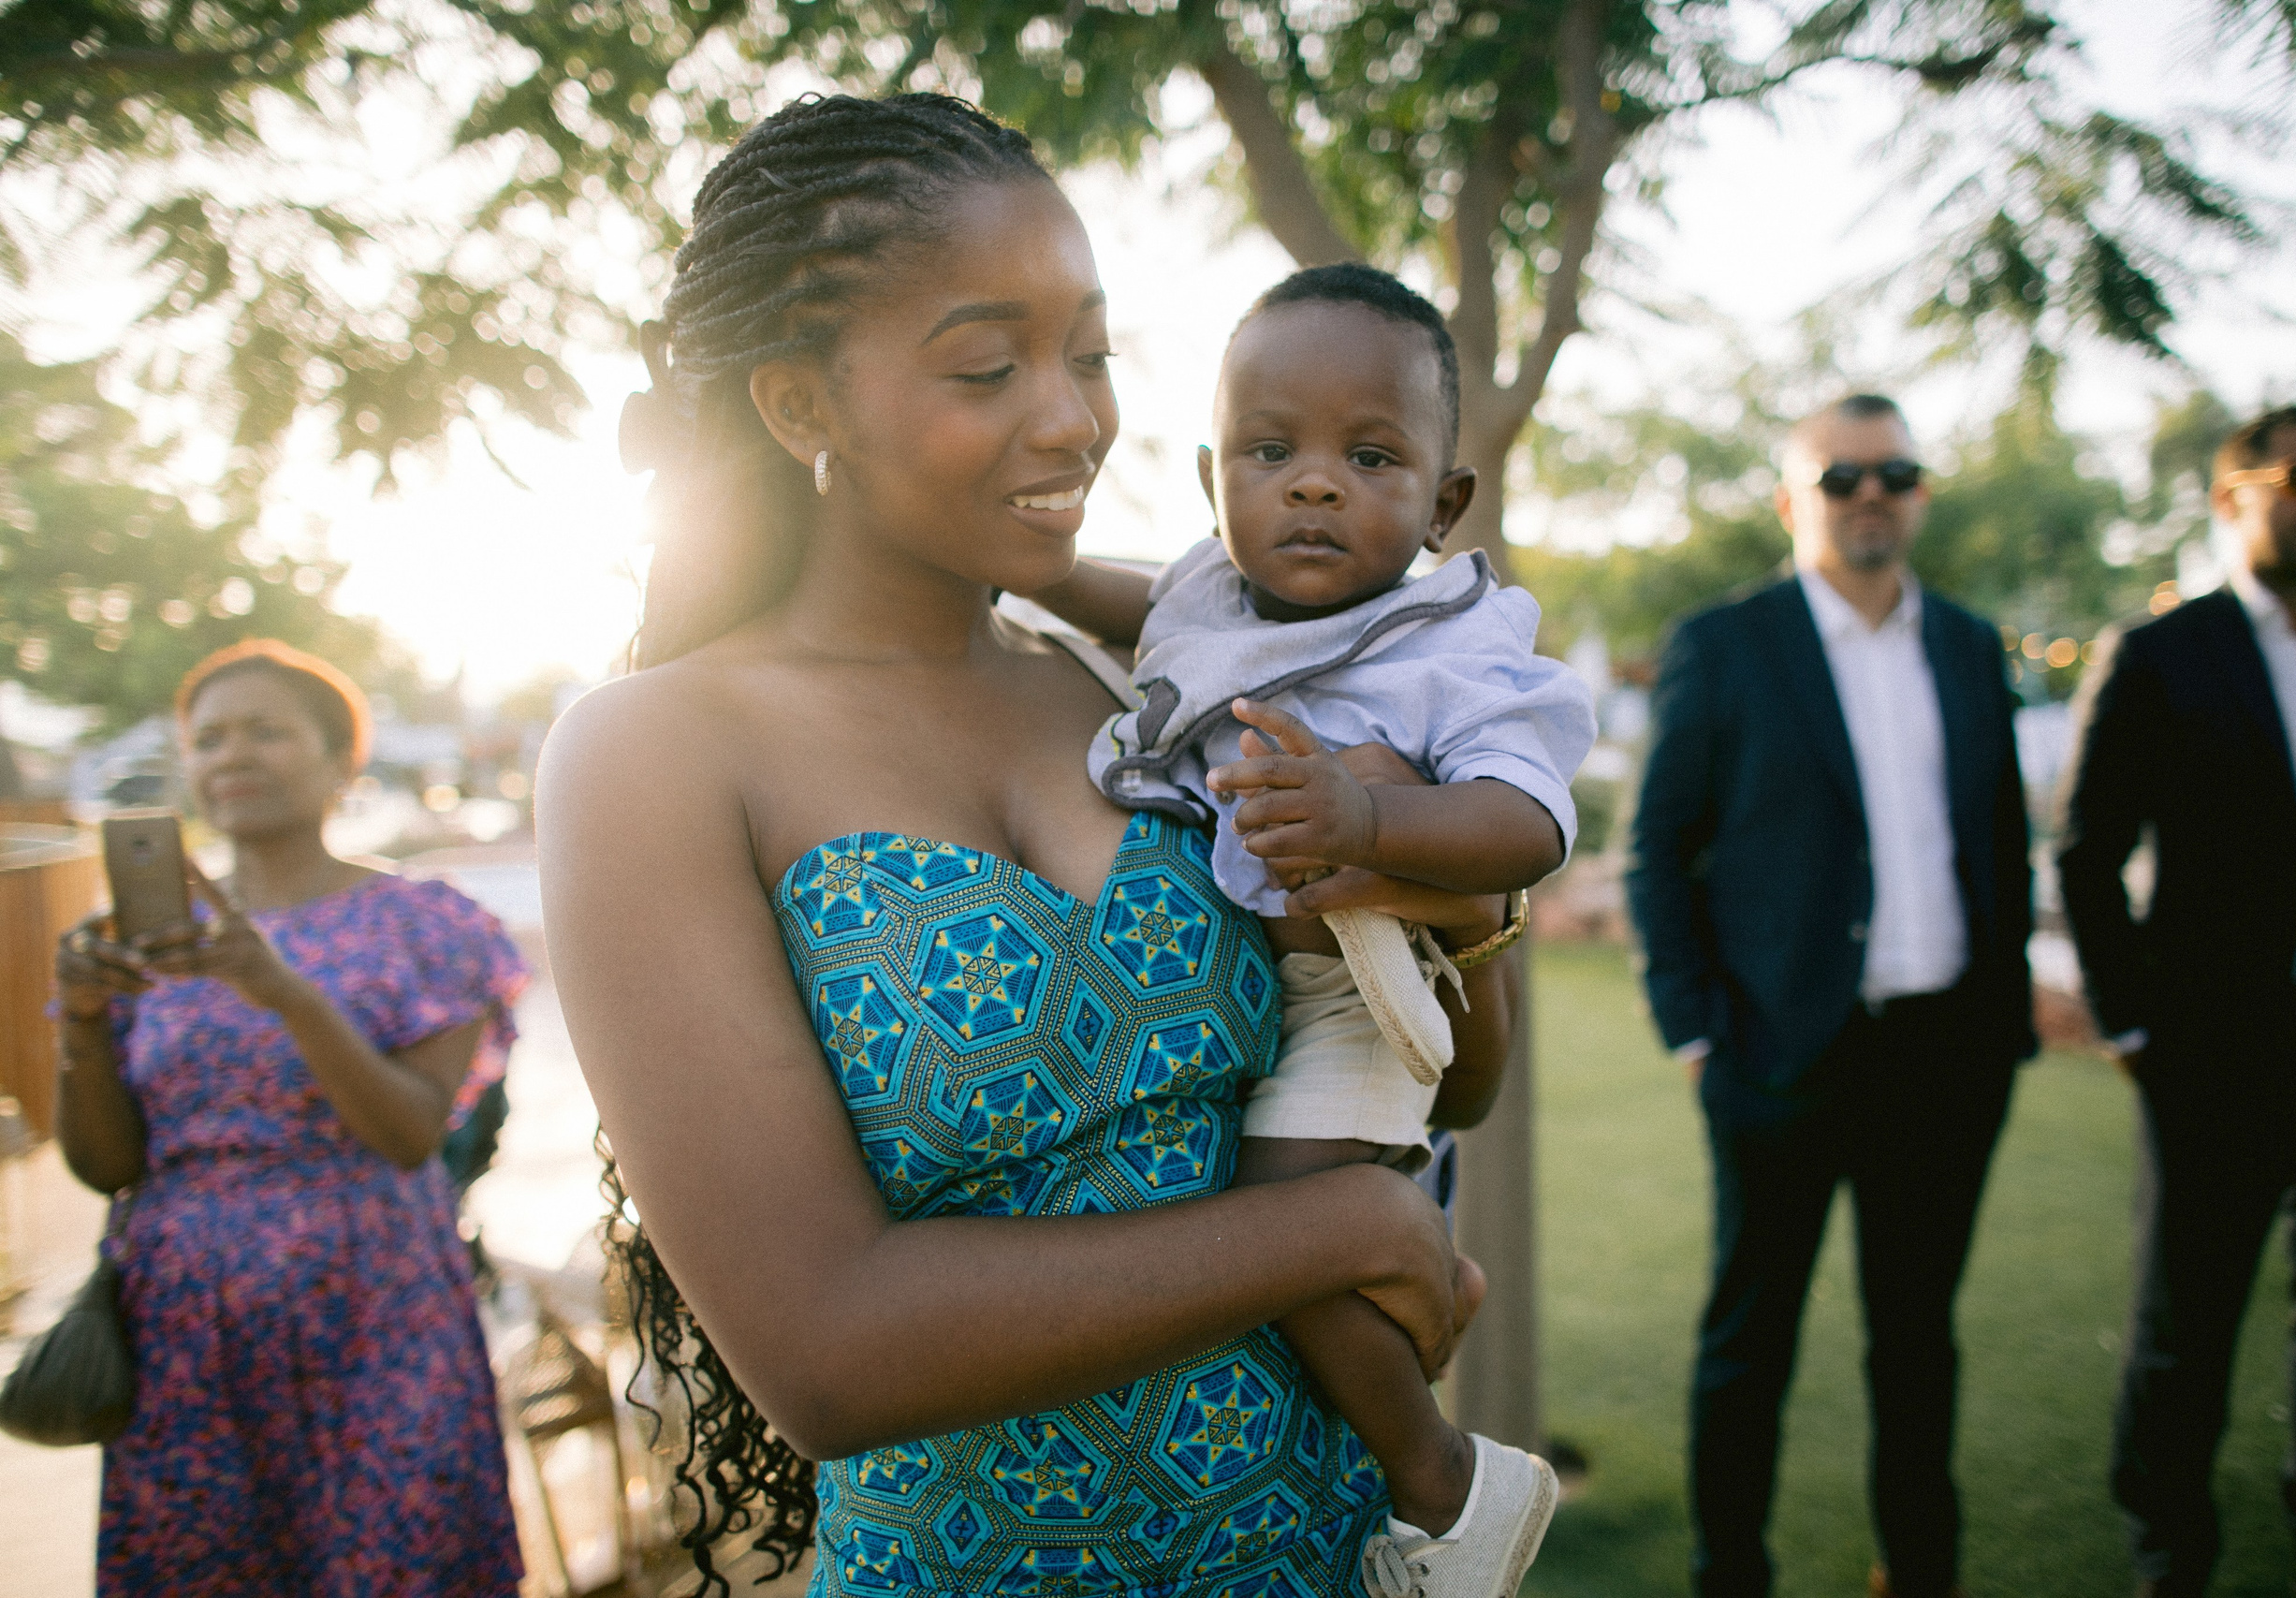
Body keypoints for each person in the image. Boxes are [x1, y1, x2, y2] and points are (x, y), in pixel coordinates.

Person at [541, 94, 1528, 1598]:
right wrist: (1343, 1221)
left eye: (1091, 354)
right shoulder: (656, 752)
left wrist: (1438, 881)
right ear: (801, 406)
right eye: (990, 366)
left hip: (1322, 1551)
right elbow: (830, 1349)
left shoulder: (1147, 688)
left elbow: (1453, 1072)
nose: (1072, 417)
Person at [1027, 262, 1597, 1592]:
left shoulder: (1451, 641)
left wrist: (1369, 820)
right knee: (1284, 1213)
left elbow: (1528, 825)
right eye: (1272, 451)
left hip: (1362, 981)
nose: (1316, 482)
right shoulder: (1212, 600)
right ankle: (1430, 1297)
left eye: (1371, 453)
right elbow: (1141, 610)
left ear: (1444, 501)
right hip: (1268, 991)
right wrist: (1042, 583)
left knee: (1286, 1221)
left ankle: (1448, 1484)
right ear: (1214, 477)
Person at [1626, 394, 2036, 1598]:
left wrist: (2003, 1022)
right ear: (1792, 500)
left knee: (1918, 1340)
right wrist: (1695, 1030)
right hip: (1777, 1052)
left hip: (1946, 1053)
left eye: (1893, 474)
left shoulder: (1966, 642)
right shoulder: (1727, 642)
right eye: (1841, 477)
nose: (1869, 496)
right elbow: (1660, 848)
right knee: (1749, 1342)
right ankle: (1729, 1572)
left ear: (1916, 493)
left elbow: (2000, 838)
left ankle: (1919, 1569)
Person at [51, 638, 526, 1597]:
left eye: (266, 731)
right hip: (185, 1331)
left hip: (377, 1309)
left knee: (397, 1563)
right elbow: (107, 1167)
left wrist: (284, 991)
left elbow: (407, 1135)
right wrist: (87, 1021)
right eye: (209, 738)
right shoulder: (142, 943)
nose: (232, 756)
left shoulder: (426, 923)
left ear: (342, 760)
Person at [2056, 403, 2296, 1598]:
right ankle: (2167, 1554)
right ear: (2232, 497)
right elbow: (2088, 853)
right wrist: (2134, 1022)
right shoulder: (2165, 654)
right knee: (2184, 1328)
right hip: (2219, 1046)